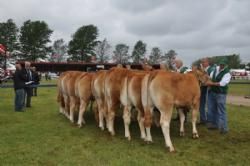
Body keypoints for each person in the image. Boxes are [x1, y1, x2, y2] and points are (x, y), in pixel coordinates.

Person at [206, 59, 231, 134]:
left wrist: (211, 83)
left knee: (221, 110)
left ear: (226, 65)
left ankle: (224, 128)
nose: (221, 66)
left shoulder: (227, 73)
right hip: (212, 92)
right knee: (211, 108)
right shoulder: (215, 69)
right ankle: (214, 124)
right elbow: (210, 78)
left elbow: (222, 83)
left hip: (221, 93)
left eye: (223, 65)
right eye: (220, 64)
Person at [198, 58, 216, 125]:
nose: (202, 63)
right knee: (201, 105)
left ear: (208, 62)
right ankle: (203, 119)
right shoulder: (202, 70)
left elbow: (211, 79)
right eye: (202, 62)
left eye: (204, 62)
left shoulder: (211, 69)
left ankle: (209, 120)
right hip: (202, 89)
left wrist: (204, 73)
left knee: (208, 105)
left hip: (208, 89)